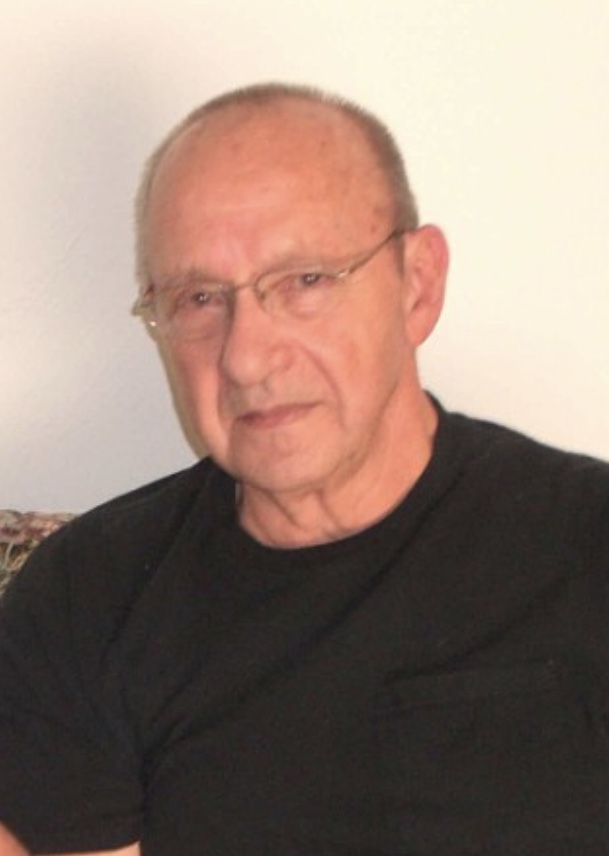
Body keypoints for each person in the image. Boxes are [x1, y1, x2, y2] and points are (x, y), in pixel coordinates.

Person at [1, 82, 608, 856]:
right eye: (198, 298)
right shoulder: (90, 596)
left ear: (416, 285)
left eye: (305, 281)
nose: (246, 357)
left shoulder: (584, 548)